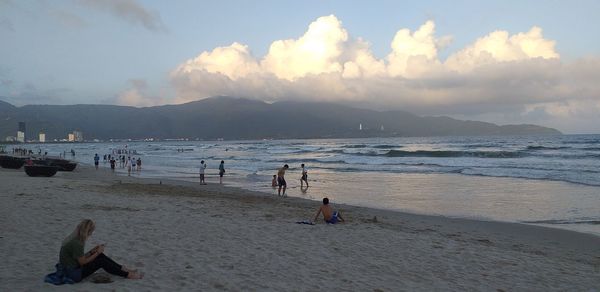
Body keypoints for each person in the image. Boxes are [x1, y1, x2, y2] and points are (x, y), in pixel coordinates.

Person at [58, 219, 142, 282]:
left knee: (100, 256)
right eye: (91, 232)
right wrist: (98, 252)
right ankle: (127, 275)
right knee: (101, 261)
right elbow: (82, 262)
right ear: (88, 231)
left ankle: (122, 268)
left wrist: (92, 251)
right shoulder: (78, 243)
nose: (91, 234)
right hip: (73, 274)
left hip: (71, 267)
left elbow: (79, 258)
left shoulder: (74, 238)